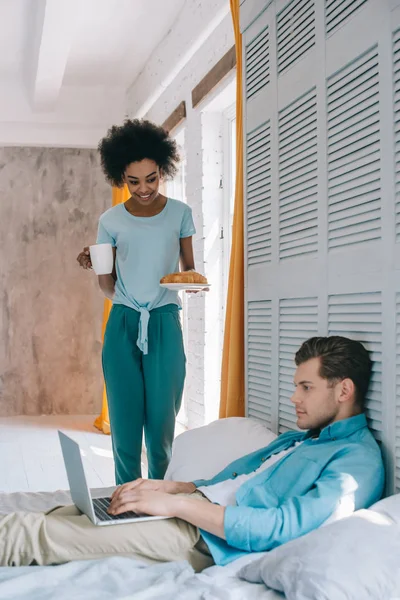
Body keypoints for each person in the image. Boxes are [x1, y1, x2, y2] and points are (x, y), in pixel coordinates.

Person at [0, 336, 384, 569]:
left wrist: (178, 507)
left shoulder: (356, 462)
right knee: (58, 513)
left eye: (306, 387)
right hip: (190, 507)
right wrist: (170, 489)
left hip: (202, 537)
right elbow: (231, 484)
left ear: (344, 390)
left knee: (33, 536)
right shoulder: (304, 438)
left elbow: (282, 528)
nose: (293, 397)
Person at [77, 119, 198, 485]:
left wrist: (189, 284)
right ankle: (126, 497)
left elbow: (189, 271)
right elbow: (107, 284)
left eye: (151, 177)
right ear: (121, 177)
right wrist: (97, 265)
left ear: (163, 170)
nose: (143, 188)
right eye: (133, 181)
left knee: (162, 422)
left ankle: (158, 495)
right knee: (125, 422)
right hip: (124, 323)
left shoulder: (180, 214)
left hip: (164, 321)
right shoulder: (111, 219)